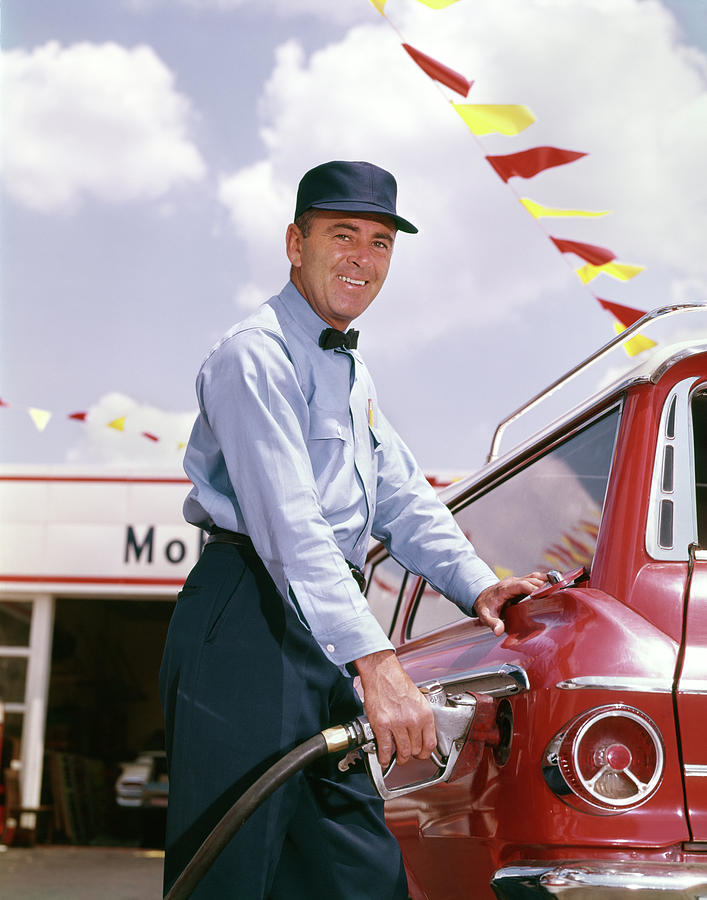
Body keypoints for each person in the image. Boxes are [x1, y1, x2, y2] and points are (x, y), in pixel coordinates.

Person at [159, 160, 546, 899]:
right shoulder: (255, 354)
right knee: (233, 874)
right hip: (246, 621)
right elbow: (290, 530)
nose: (362, 258)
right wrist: (379, 663)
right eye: (343, 235)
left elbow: (402, 498)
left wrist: (480, 586)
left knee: (356, 872)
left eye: (379, 242)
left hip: (318, 630)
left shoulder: (350, 373)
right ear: (293, 243)